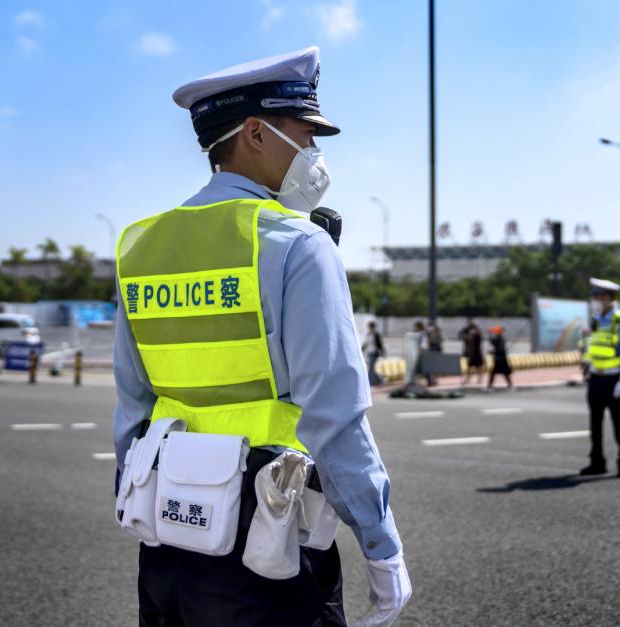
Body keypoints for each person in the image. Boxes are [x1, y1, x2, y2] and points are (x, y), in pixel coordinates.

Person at [113, 47, 410, 626]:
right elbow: (335, 416)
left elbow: (133, 409)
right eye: (306, 133)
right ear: (256, 132)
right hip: (270, 536)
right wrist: (380, 545)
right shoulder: (296, 244)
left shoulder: (140, 246)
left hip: (170, 535)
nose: (315, 154)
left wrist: (140, 505)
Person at [580, 278, 620, 478]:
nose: (595, 297)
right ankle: (597, 462)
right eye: (595, 294)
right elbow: (594, 347)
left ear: (608, 296)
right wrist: (588, 363)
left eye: (598, 294)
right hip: (596, 378)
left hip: (614, 379)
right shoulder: (595, 319)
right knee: (595, 424)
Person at [458, 318, 485, 386]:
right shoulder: (467, 330)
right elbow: (460, 336)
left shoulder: (476, 332)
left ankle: (479, 379)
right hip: (471, 352)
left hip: (476, 351)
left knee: (478, 366)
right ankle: (469, 379)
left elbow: (479, 340)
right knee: (470, 366)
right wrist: (466, 338)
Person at [486, 325, 513, 390]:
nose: (496, 333)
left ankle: (510, 385)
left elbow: (500, 349)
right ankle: (490, 385)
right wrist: (490, 335)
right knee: (496, 373)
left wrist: (493, 352)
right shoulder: (498, 338)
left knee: (503, 373)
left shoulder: (501, 339)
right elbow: (493, 342)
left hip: (501, 358)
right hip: (498, 358)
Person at [361, 320, 385, 386]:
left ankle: (370, 383)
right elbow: (366, 343)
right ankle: (380, 380)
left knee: (371, 368)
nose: (370, 328)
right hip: (369, 353)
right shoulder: (368, 334)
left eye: (371, 326)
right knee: (372, 369)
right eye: (370, 326)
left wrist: (383, 352)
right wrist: (361, 349)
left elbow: (380, 344)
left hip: (374, 353)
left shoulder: (376, 334)